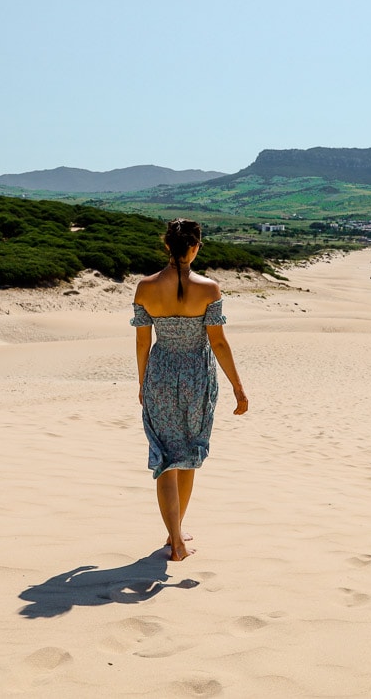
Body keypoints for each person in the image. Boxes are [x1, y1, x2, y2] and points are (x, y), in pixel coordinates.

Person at [131, 218, 248, 561]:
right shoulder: (209, 289)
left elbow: (142, 344)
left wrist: (143, 383)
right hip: (197, 377)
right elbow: (219, 343)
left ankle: (175, 537)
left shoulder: (144, 288)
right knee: (187, 458)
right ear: (195, 247)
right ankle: (176, 537)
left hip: (161, 376)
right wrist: (238, 389)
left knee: (166, 458)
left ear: (166, 245)